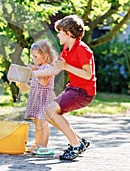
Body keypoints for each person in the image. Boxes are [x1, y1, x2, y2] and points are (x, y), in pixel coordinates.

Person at [31, 15, 96, 160]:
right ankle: (79, 141)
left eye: (60, 32)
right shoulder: (66, 49)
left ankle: (75, 145)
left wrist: (67, 66)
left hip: (83, 92)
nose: (58, 34)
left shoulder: (82, 50)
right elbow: (55, 69)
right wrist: (33, 73)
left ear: (68, 34)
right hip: (73, 89)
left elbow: (87, 75)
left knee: (49, 111)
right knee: (49, 113)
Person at [18, 39, 58, 153]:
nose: (33, 59)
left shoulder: (47, 68)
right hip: (37, 97)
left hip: (45, 97)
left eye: (35, 57)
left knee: (43, 122)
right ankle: (37, 143)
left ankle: (43, 146)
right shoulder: (40, 68)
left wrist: (35, 70)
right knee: (37, 122)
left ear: (45, 56)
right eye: (33, 57)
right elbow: (35, 83)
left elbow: (44, 82)